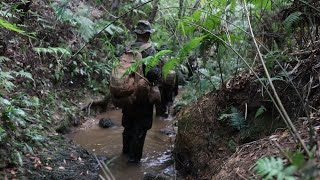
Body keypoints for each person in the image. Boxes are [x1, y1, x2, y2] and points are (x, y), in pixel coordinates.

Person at [121, 20, 161, 163]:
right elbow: (154, 74)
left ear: (137, 33)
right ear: (148, 34)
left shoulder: (127, 48)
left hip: (127, 94)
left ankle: (124, 154)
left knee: (128, 126)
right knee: (140, 128)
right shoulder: (150, 50)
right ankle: (133, 163)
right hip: (142, 97)